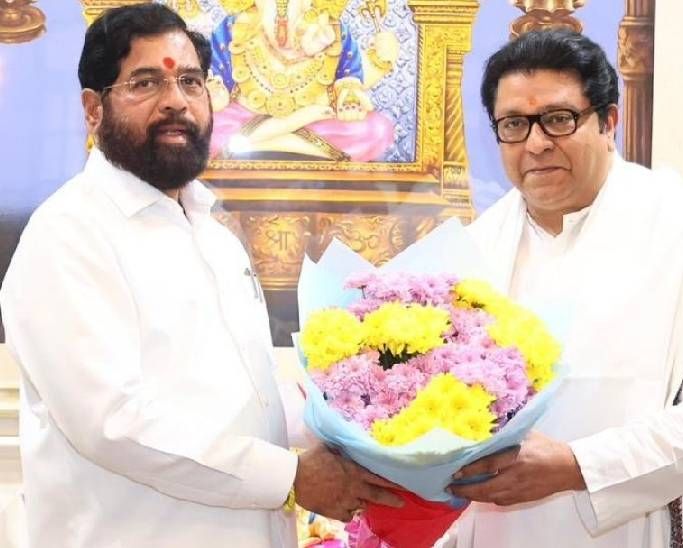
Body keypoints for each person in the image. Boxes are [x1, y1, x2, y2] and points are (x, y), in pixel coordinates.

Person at [0, 5, 401, 548]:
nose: (175, 100)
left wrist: (368, 409)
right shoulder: (69, 234)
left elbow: (246, 399)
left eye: (190, 81)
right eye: (145, 82)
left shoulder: (213, 235)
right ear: (93, 110)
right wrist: (290, 476)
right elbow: (112, 424)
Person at [451, 29, 683, 547]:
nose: (536, 143)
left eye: (559, 119)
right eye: (514, 124)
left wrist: (576, 466)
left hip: (639, 530)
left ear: (608, 122)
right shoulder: (473, 252)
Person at [205, 0, 400, 160]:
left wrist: (349, 96)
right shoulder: (234, 27)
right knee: (205, 131)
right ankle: (288, 130)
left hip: (317, 124)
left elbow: (349, 76)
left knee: (378, 130)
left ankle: (256, 143)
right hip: (246, 115)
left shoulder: (331, 28)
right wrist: (215, 92)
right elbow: (215, 79)